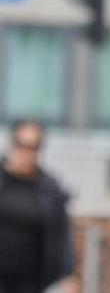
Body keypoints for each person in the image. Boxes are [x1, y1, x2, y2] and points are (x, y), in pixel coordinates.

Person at [0, 121, 74, 293]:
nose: (27, 153)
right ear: (12, 144)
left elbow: (62, 235)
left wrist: (67, 275)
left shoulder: (49, 189)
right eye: (22, 145)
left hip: (35, 282)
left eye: (34, 147)